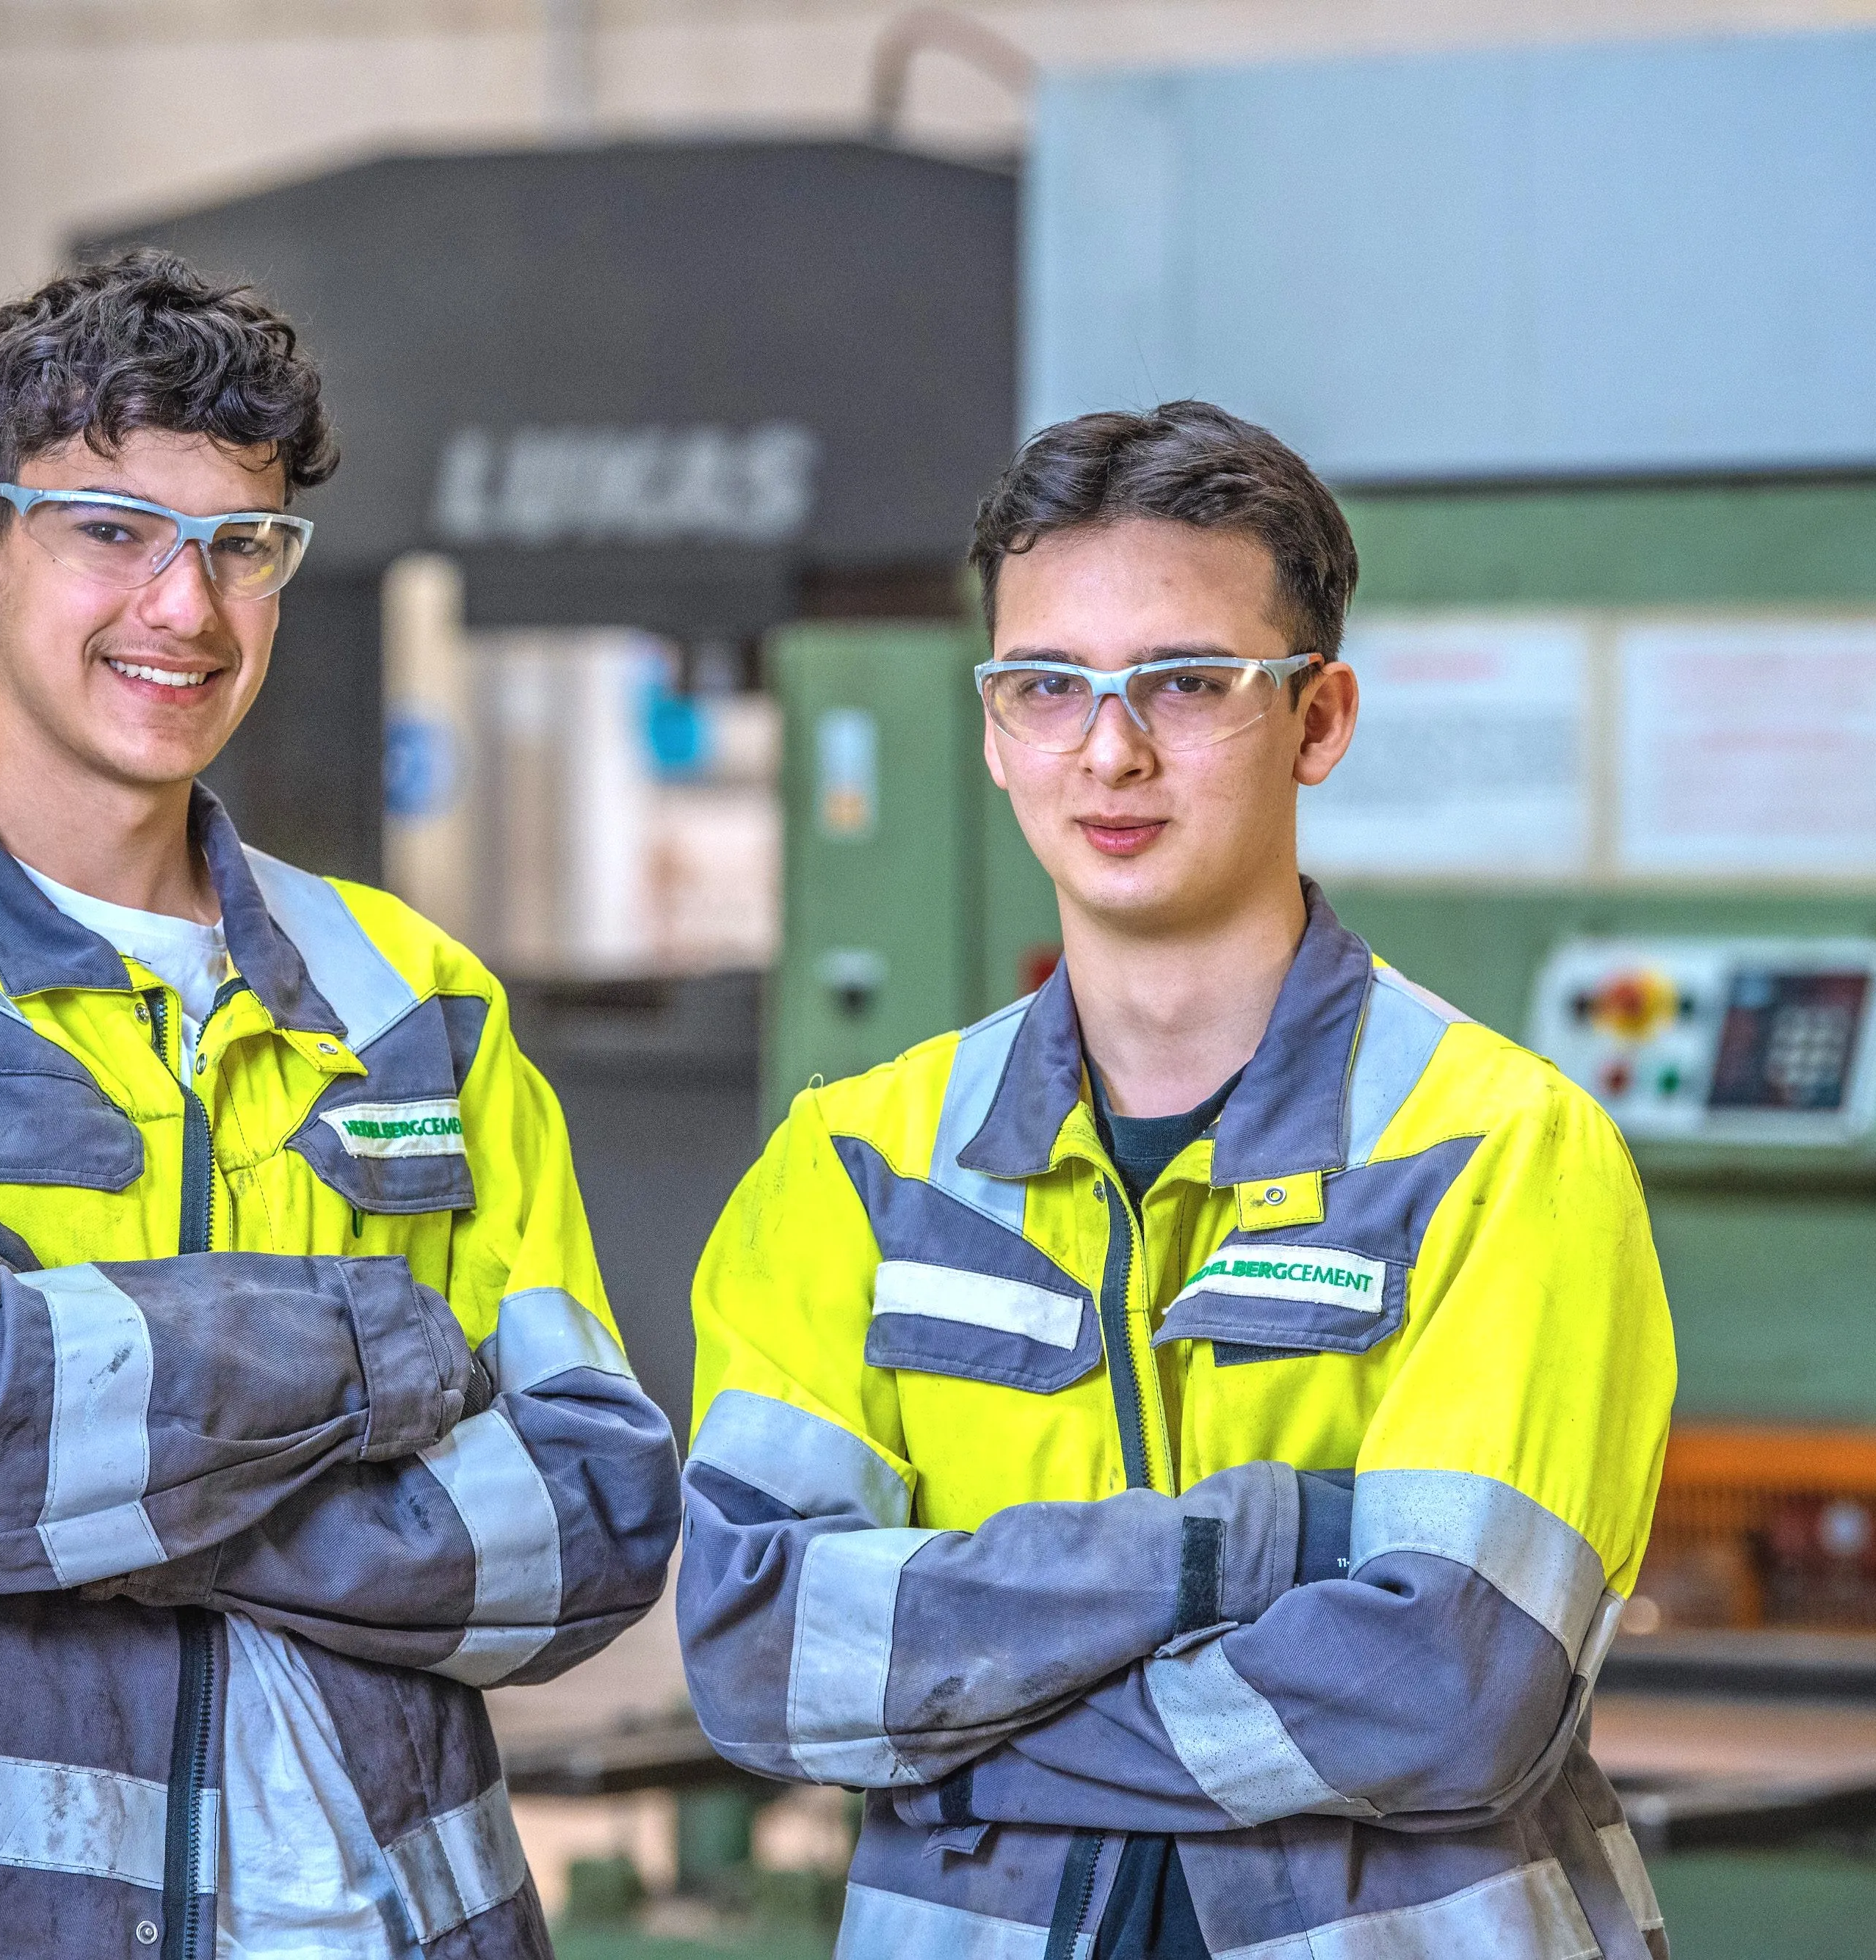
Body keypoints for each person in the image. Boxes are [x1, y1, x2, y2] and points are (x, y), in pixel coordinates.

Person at [0, 249, 679, 1960]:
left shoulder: (410, 998)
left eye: (238, 546)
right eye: (113, 531)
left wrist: (100, 1493)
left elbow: (592, 1519)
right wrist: (366, 1353)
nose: (182, 611)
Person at [675, 403, 1676, 1959]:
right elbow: (761, 1658)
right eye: (1045, 687)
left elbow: (1449, 1696)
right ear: (994, 727)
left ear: (1318, 719)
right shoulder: (855, 1167)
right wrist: (1249, 1554)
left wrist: (964, 1748)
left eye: (1186, 683)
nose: (1109, 747)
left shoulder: (1499, 1153)